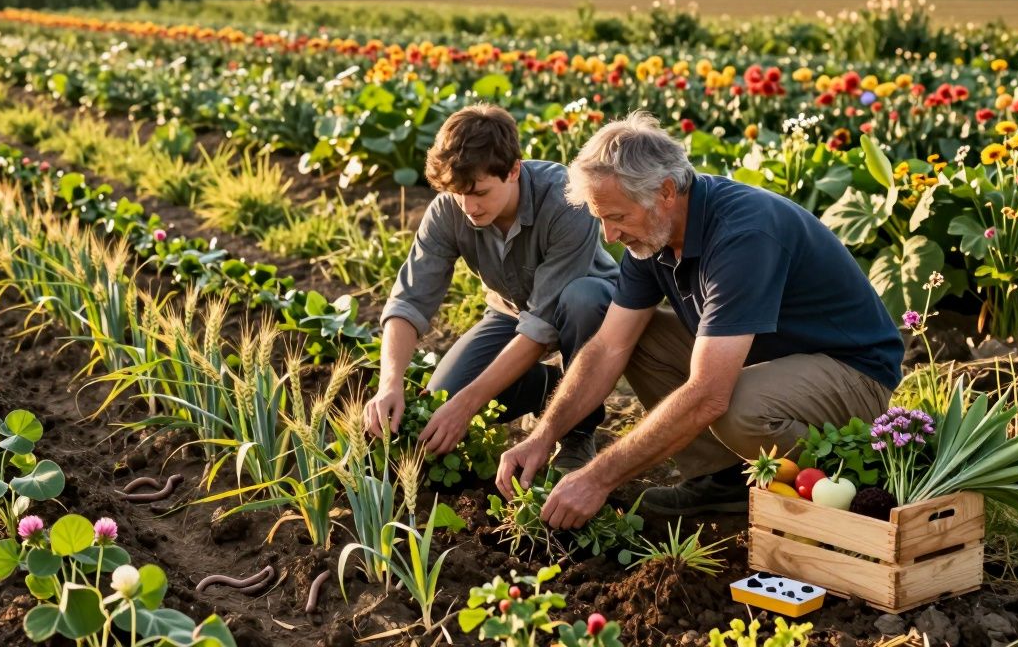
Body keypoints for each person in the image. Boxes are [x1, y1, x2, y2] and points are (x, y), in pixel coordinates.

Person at [495, 110, 904, 524]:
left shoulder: (742, 234)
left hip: (854, 375)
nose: (610, 236)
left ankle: (853, 477)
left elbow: (709, 394)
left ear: (666, 192)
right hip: (770, 362)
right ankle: (723, 480)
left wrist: (597, 479)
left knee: (733, 404)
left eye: (616, 217)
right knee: (639, 338)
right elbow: (608, 346)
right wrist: (544, 436)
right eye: (602, 218)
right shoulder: (651, 237)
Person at [363, 103, 619, 472]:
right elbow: (409, 300)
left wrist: (468, 405)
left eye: (479, 192)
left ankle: (578, 430)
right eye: (457, 193)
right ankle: (551, 389)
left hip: (581, 310)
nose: (468, 206)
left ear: (514, 170)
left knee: (582, 300)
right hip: (510, 311)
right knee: (441, 402)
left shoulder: (565, 199)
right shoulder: (449, 209)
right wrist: (390, 382)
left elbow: (542, 323)